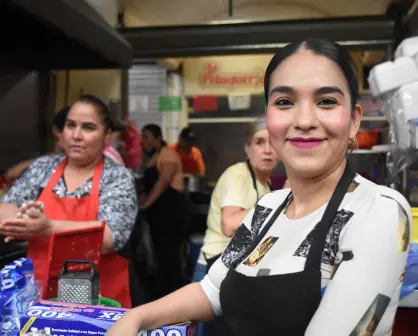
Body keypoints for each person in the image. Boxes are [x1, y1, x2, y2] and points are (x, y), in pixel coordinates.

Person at [107, 39, 411, 336]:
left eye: (326, 101)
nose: (304, 120)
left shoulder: (377, 211)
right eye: (284, 102)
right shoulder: (267, 209)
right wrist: (137, 317)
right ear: (269, 117)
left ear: (355, 120)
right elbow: (211, 292)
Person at [0, 95, 138, 308]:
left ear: (107, 135)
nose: (76, 135)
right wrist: (25, 220)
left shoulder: (117, 176)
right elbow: (6, 207)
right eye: (70, 125)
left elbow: (111, 236)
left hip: (98, 299)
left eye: (88, 127)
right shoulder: (44, 167)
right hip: (37, 295)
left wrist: (47, 227)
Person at [193, 118, 279, 336]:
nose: (267, 150)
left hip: (237, 270)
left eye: (273, 142)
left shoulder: (264, 183)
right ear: (247, 148)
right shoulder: (239, 174)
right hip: (217, 269)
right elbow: (230, 224)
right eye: (259, 142)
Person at [140, 124, 190, 299]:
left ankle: (172, 297)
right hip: (159, 216)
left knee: (170, 258)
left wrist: (145, 205)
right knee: (159, 257)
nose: (142, 141)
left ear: (157, 138)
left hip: (171, 214)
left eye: (146, 137)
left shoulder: (168, 155)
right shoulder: (153, 158)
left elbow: (162, 182)